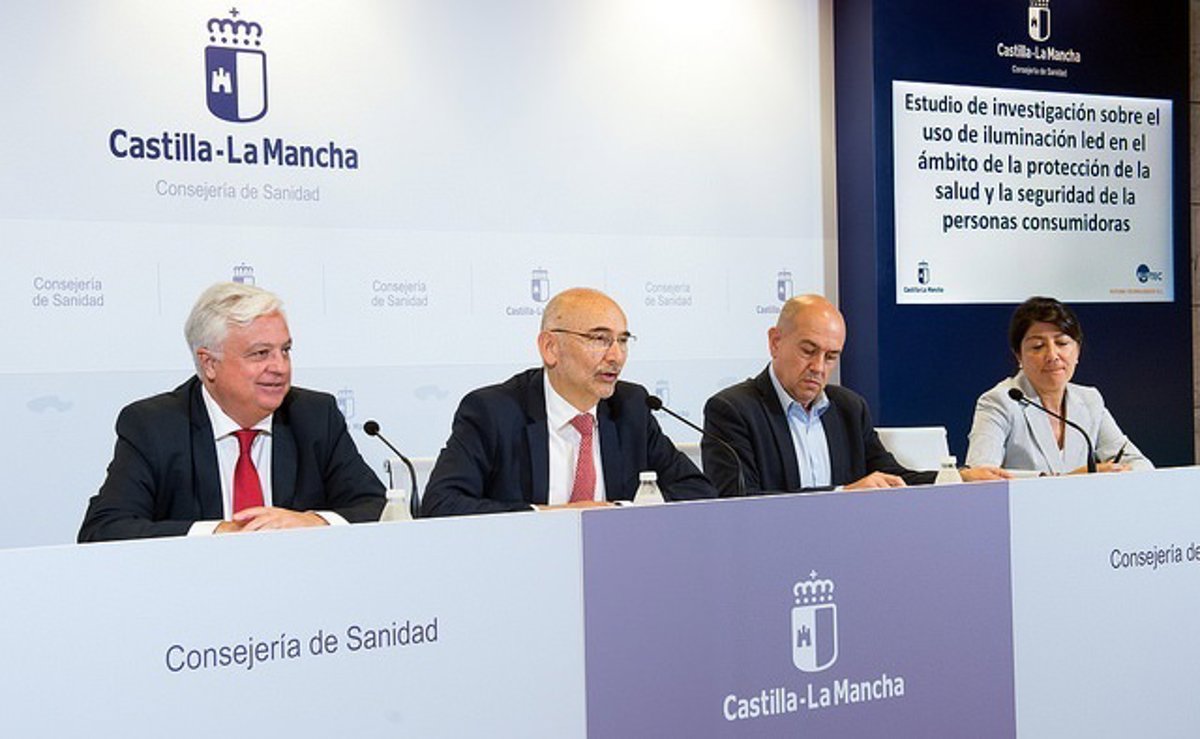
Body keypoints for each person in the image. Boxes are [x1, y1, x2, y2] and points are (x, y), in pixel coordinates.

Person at [78, 282, 385, 542]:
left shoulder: (315, 416)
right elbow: (104, 529)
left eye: (285, 350)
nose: (280, 367)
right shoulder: (154, 426)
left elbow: (380, 509)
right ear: (209, 363)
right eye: (260, 353)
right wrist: (219, 533)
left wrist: (312, 522)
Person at [421, 287, 716, 516]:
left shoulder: (631, 406)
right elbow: (441, 504)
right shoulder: (493, 411)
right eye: (599, 339)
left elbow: (698, 491)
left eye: (623, 341)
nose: (616, 356)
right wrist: (554, 517)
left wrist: (616, 512)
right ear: (550, 348)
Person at [703, 295, 1005, 496]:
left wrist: (957, 478)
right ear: (775, 342)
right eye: (808, 351)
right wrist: (843, 494)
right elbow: (739, 501)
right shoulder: (732, 410)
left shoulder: (848, 408)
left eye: (831, 357)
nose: (818, 367)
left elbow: (892, 477)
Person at [965, 296, 1152, 475]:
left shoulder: (1089, 400)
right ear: (1018, 356)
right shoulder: (999, 402)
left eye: (1062, 343)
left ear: (1077, 351)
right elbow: (982, 477)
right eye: (1038, 346)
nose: (1052, 356)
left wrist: (1119, 471)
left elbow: (1139, 463)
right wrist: (1075, 478)